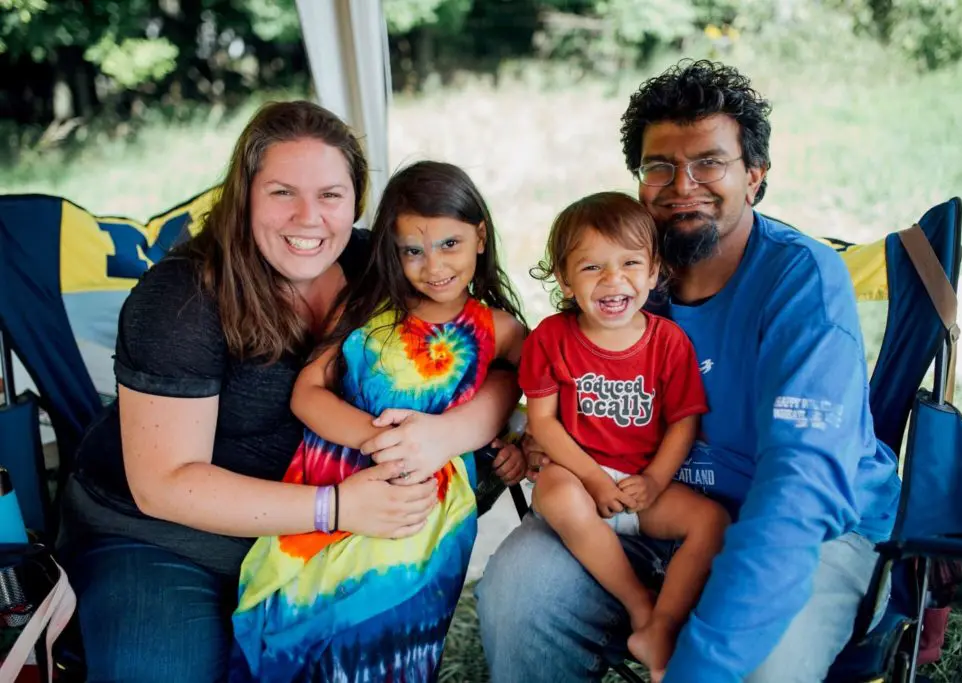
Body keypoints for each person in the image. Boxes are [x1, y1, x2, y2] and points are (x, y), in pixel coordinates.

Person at [57, 101, 525, 683]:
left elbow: (495, 358)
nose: (309, 218)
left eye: (330, 195)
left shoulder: (379, 265)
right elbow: (164, 485)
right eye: (282, 193)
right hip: (168, 542)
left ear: (356, 201)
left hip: (336, 528)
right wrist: (336, 507)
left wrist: (450, 433)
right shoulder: (181, 300)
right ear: (244, 195)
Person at [477, 59, 901, 683]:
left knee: (760, 667)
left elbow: (799, 489)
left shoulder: (799, 282)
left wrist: (698, 667)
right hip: (641, 511)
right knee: (518, 591)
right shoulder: (629, 278)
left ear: (754, 177)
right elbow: (559, 382)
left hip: (800, 533)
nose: (683, 184)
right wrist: (546, 444)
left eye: (710, 162)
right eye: (659, 166)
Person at [230, 160, 528, 682]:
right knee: (302, 622)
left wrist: (518, 444)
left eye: (450, 244)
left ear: (480, 237)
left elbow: (539, 395)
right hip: (336, 478)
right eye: (413, 250)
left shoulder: (500, 329)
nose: (433, 265)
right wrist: (376, 438)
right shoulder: (366, 306)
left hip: (424, 509)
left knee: (389, 637)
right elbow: (307, 393)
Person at [520, 191, 729, 682]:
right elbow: (542, 422)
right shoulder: (551, 338)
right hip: (579, 480)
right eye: (592, 268)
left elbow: (684, 420)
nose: (613, 280)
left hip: (642, 485)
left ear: (654, 272)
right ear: (564, 279)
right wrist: (592, 480)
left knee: (712, 522)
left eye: (630, 263)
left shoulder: (667, 341)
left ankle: (662, 625)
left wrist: (655, 481)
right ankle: (638, 604)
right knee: (554, 493)